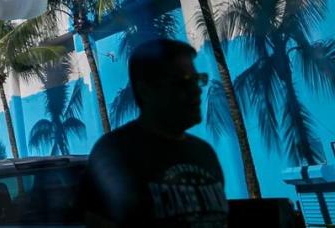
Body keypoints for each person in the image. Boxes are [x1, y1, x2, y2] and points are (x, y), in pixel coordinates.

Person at [83, 38, 229, 228]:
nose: (196, 91)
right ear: (146, 91)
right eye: (182, 82)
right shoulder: (116, 153)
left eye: (196, 80)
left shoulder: (204, 153)